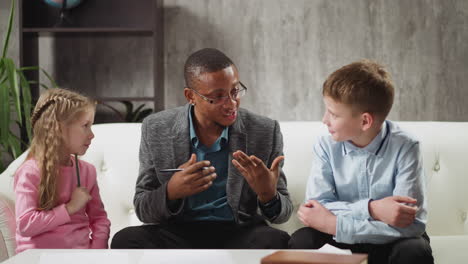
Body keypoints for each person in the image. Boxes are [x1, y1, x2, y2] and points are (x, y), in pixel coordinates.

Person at [111, 48, 292, 249]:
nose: (231, 103)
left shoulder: (265, 130)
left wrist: (268, 196)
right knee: (125, 239)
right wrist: (171, 191)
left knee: (277, 240)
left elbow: (283, 213)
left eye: (235, 91)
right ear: (191, 96)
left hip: (239, 232)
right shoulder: (156, 128)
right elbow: (143, 208)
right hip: (177, 231)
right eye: (218, 96)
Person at [288, 60, 434, 264]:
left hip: (390, 240)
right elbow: (316, 208)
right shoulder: (326, 146)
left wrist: (334, 224)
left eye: (334, 114)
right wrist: (373, 209)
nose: (324, 120)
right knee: (302, 240)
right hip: (344, 238)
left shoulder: (406, 147)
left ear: (365, 121)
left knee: (414, 249)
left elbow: (412, 225)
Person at [14, 88, 110, 253]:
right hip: (37, 259)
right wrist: (70, 208)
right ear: (58, 129)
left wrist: (97, 253)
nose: (91, 134)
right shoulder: (30, 172)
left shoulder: (87, 172)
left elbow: (100, 220)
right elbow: (25, 225)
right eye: (85, 126)